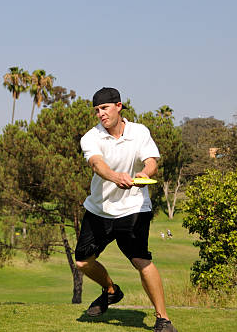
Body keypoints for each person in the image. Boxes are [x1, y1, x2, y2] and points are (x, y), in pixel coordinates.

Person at [75, 87, 178, 332]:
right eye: (97, 110)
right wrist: (114, 176)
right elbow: (96, 164)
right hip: (100, 209)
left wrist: (145, 172)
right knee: (82, 262)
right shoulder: (91, 137)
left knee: (141, 259)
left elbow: (151, 160)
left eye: (105, 108)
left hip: (134, 208)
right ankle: (111, 291)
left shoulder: (139, 132)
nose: (100, 114)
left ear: (119, 106)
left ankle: (163, 319)